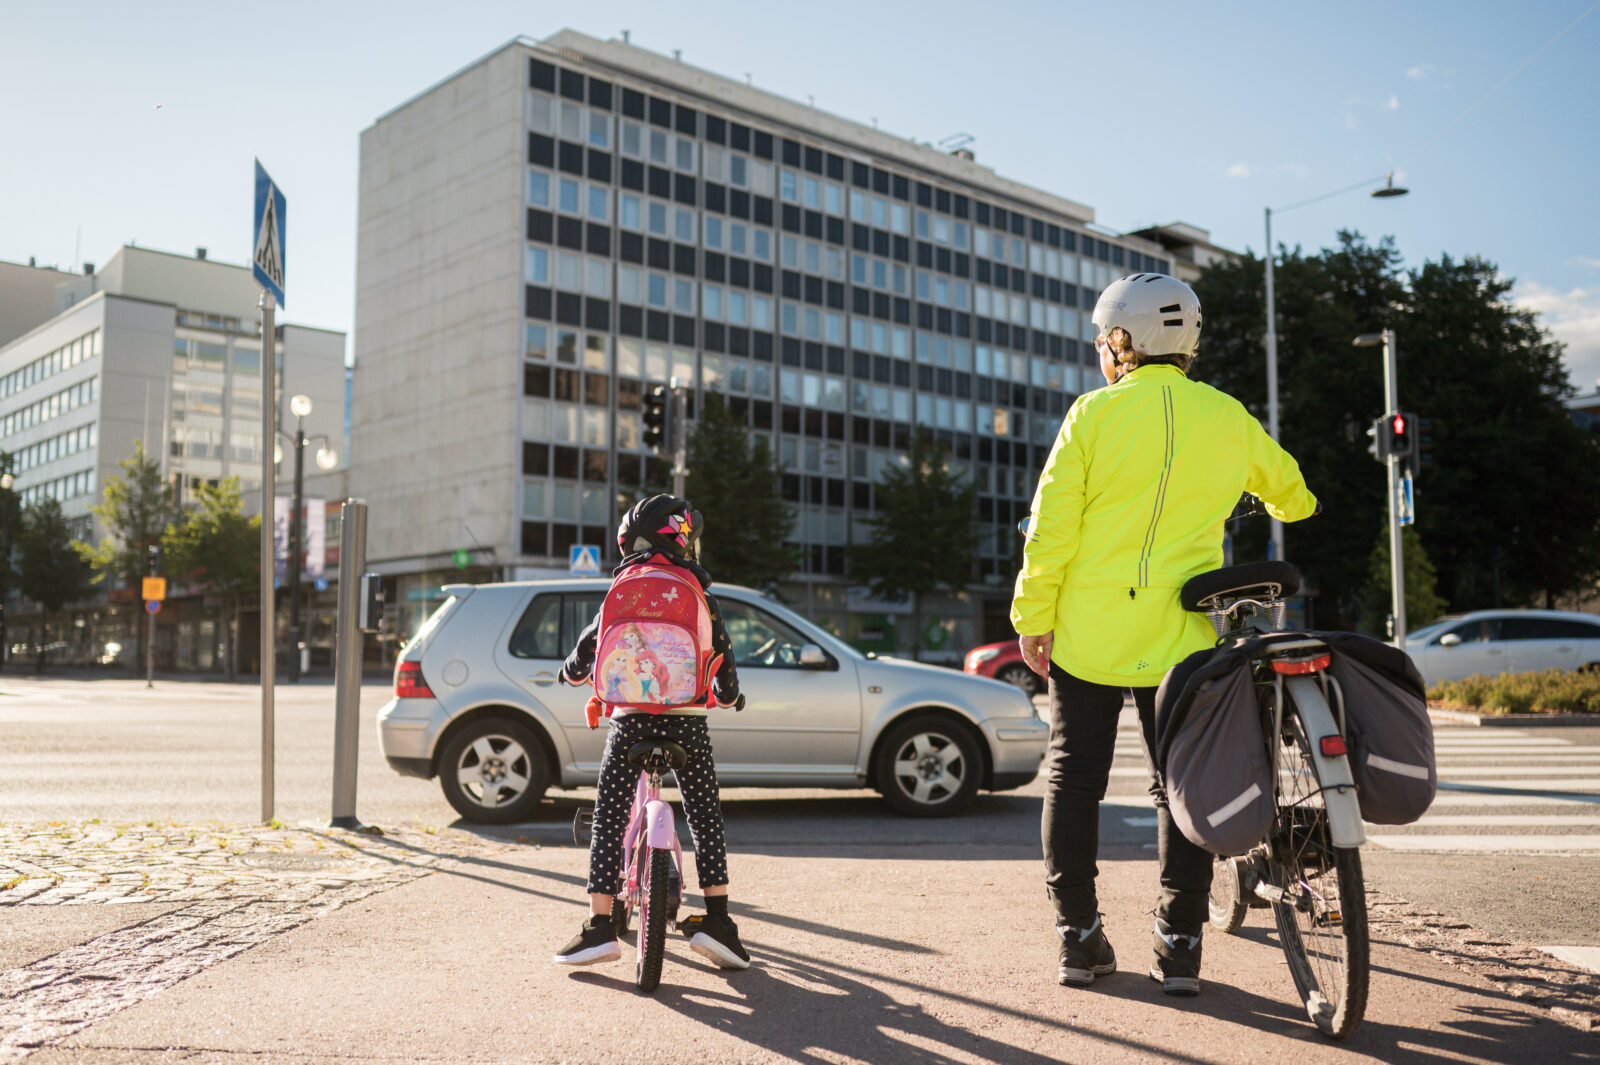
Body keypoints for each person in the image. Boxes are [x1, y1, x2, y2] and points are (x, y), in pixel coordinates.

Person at [1011, 272, 1318, 996]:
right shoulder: (1226, 415)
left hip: (1087, 631)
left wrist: (1033, 616)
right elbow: (1296, 496)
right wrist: (1239, 486)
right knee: (1177, 786)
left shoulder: (1091, 415)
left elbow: (1051, 528)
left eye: (1102, 338)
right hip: (1182, 637)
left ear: (1122, 343)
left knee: (1073, 777)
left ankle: (1078, 937)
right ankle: (1180, 941)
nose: (1099, 350)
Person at [553, 494, 750, 971]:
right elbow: (722, 657)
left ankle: (600, 927)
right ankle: (719, 921)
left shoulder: (624, 585)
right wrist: (726, 695)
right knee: (705, 816)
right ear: (684, 541)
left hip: (629, 720)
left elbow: (588, 652)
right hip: (688, 721)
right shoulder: (698, 590)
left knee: (610, 817)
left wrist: (571, 672)